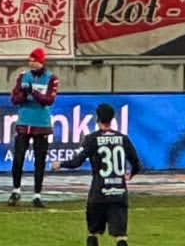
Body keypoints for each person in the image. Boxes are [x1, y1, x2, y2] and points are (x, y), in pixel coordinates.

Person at [58, 101, 142, 246]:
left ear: (97, 119)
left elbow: (77, 162)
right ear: (112, 119)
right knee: (121, 236)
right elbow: (136, 163)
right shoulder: (123, 139)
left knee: (93, 232)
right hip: (119, 193)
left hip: (99, 193)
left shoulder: (92, 139)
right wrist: (130, 174)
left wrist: (60, 164)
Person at [8, 47, 59, 207]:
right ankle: (16, 190)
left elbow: (48, 100)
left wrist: (33, 93)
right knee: (18, 159)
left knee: (40, 161)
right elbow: (14, 99)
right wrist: (23, 94)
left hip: (41, 124)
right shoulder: (23, 76)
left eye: (34, 60)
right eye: (29, 60)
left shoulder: (51, 78)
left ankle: (37, 194)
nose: (31, 63)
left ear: (41, 62)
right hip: (24, 123)